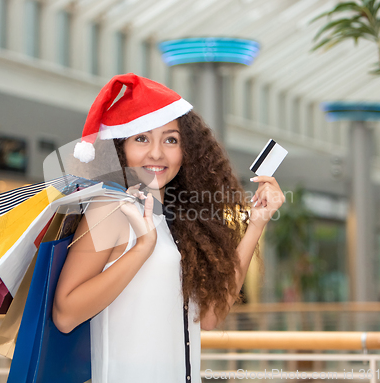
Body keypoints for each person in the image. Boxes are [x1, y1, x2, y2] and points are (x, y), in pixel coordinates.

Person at [52, 73, 285, 383]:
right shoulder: (110, 208)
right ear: (120, 147)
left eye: (170, 139)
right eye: (141, 138)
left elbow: (211, 315)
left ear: (186, 150)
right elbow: (65, 314)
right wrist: (142, 248)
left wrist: (256, 223)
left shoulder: (175, 222)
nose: (157, 153)